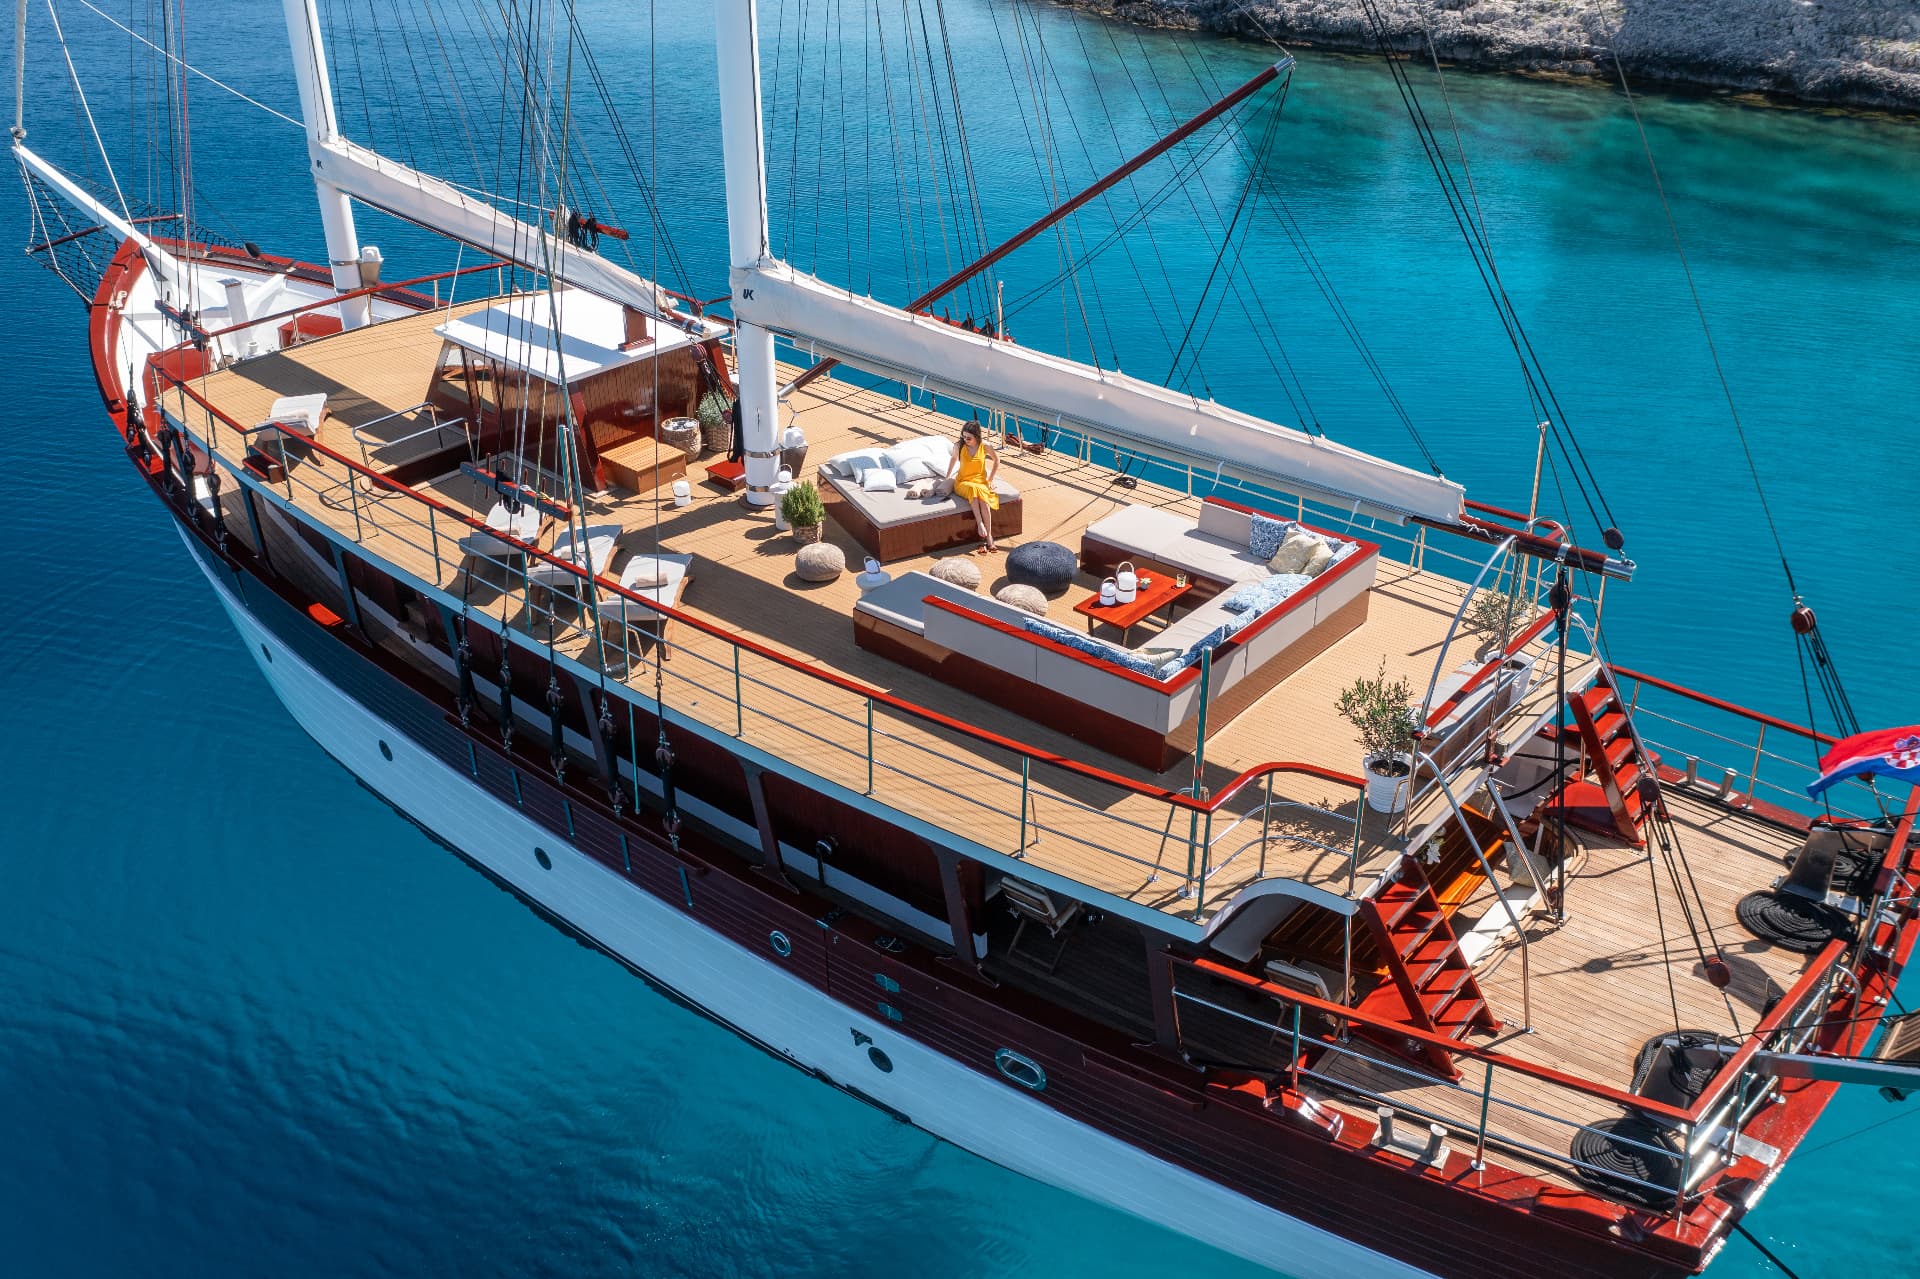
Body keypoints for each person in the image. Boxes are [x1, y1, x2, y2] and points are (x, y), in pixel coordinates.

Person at [946, 420, 1001, 554]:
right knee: (974, 490)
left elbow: (997, 460)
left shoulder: (985, 446)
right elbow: (953, 459)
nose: (965, 440)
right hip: (963, 482)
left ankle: (988, 536)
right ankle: (980, 524)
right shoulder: (959, 446)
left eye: (968, 438)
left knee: (984, 500)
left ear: (976, 436)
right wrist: (947, 477)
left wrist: (990, 479)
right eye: (963, 436)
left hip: (980, 481)